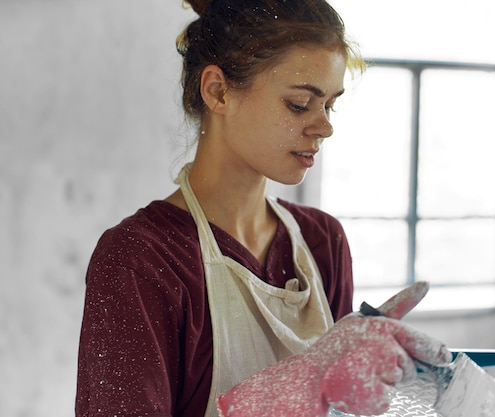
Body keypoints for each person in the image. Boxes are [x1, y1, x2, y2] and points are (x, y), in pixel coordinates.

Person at [75, 1, 451, 416]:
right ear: (217, 91)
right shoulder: (140, 259)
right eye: (298, 104)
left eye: (329, 104)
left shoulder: (322, 240)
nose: (324, 127)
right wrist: (287, 391)